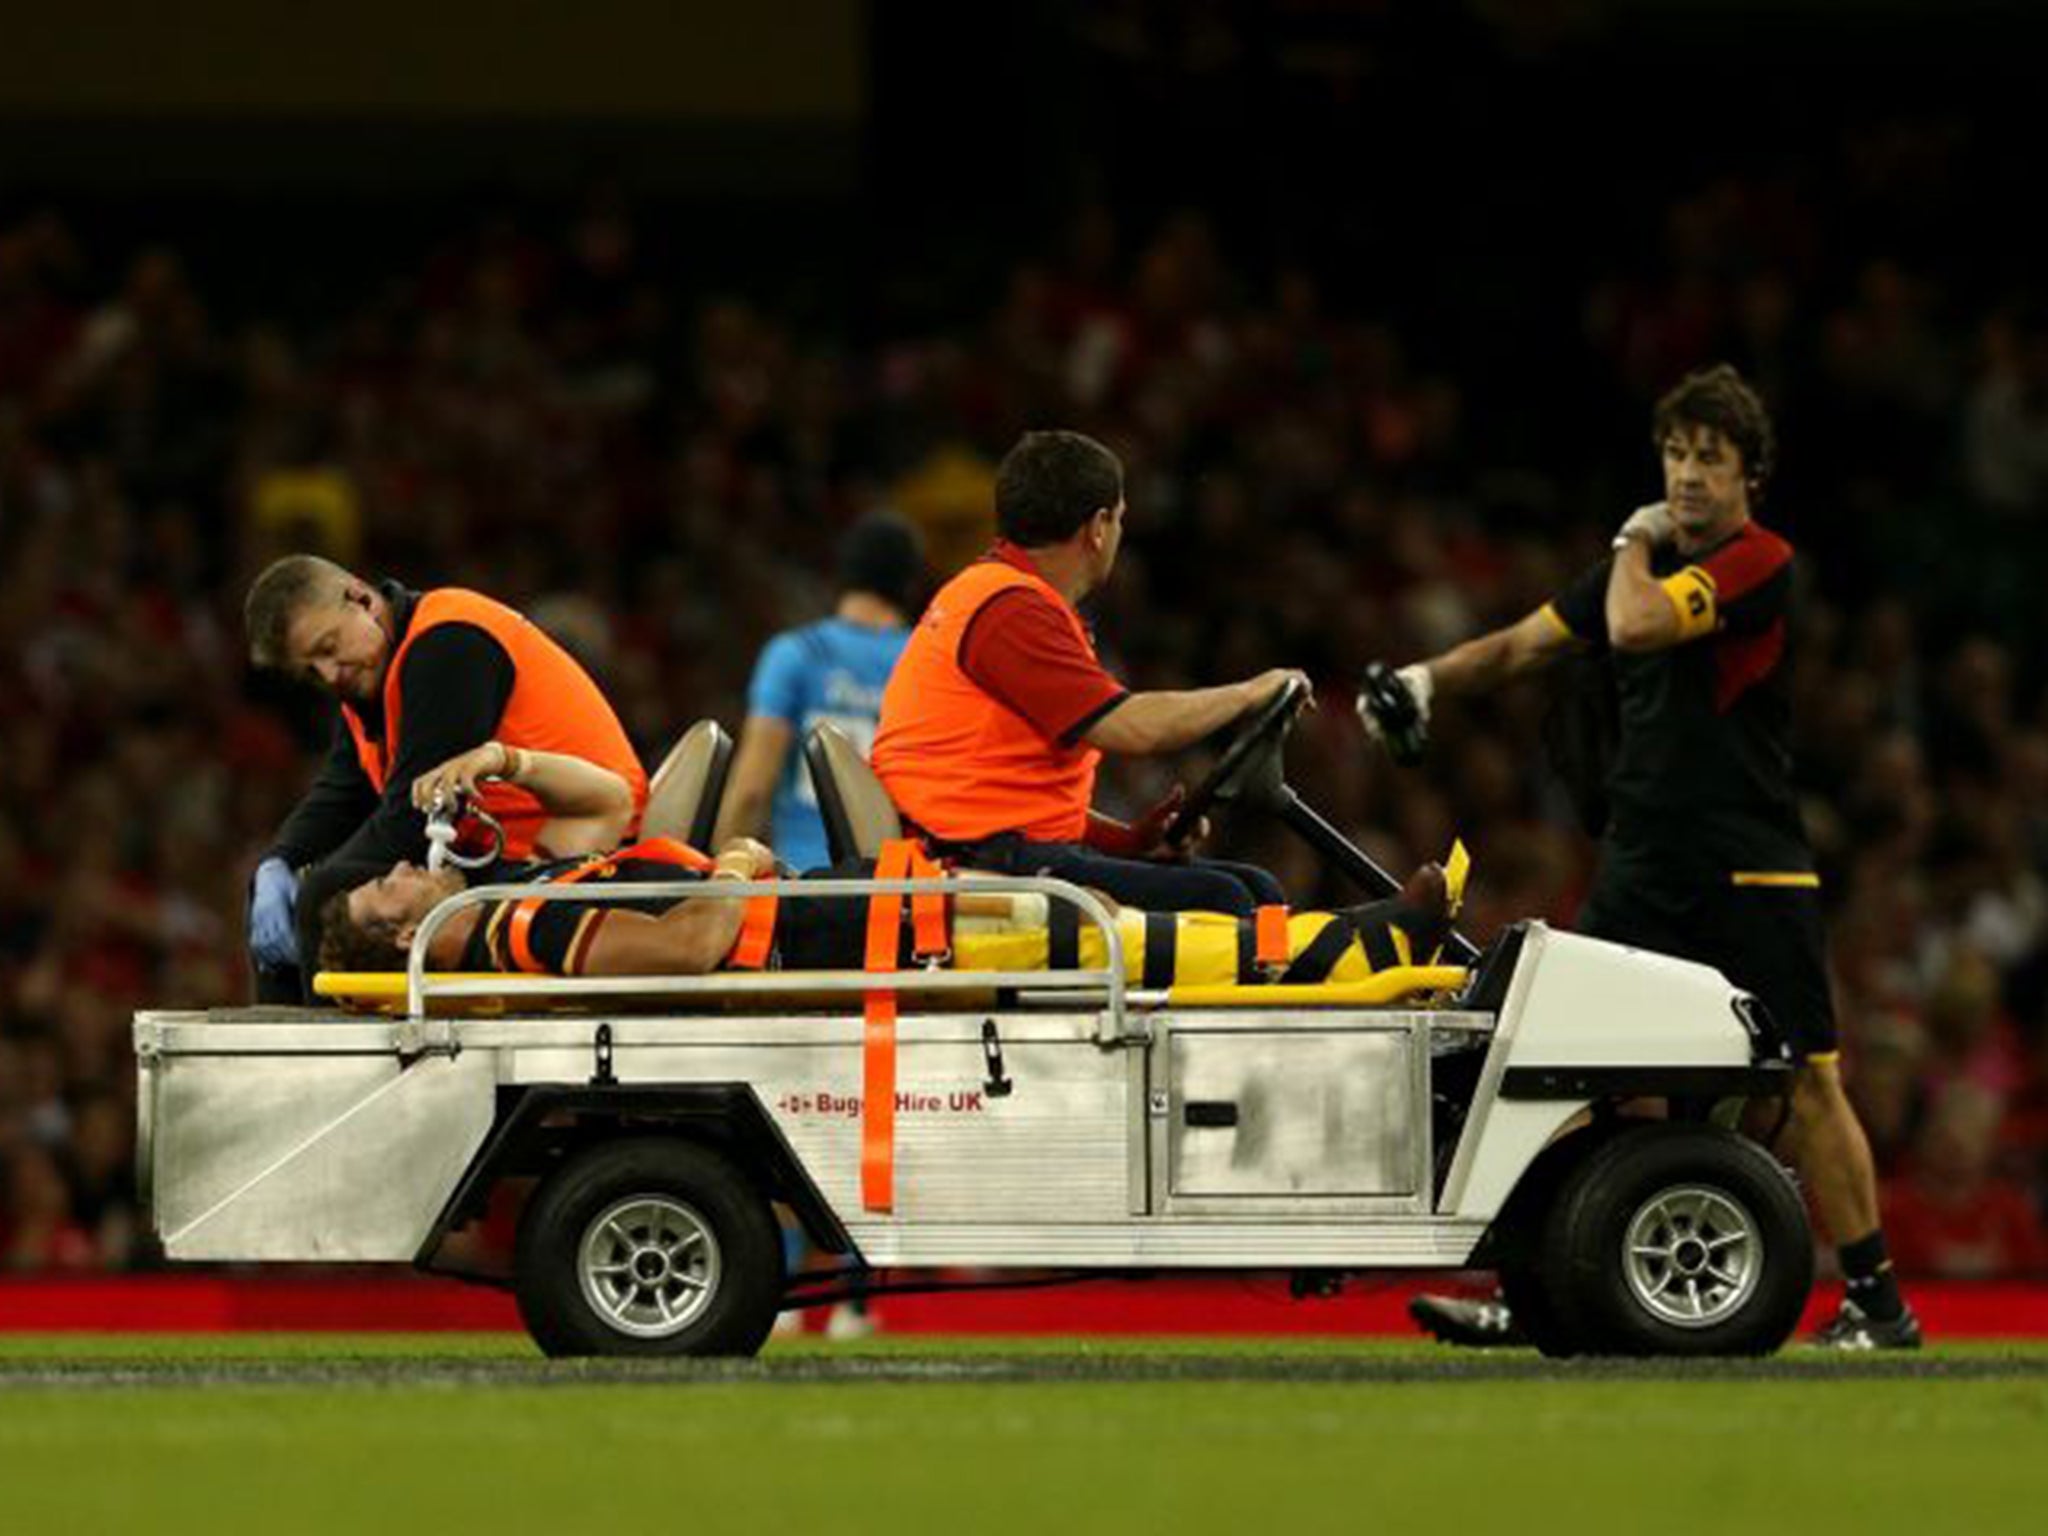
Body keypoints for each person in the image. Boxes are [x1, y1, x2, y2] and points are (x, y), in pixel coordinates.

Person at [1360, 364, 1921, 1350]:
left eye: (1710, 457)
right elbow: (1517, 645)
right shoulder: (1642, 563)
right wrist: (1422, 681)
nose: (1688, 474)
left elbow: (1630, 624)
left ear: (1750, 476)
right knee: (1559, 1066)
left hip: (1748, 865)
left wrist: (1631, 535)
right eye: (1674, 453)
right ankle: (1529, 1287)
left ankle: (1877, 1304)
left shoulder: (1757, 561)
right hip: (1640, 864)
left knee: (1803, 1077)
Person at [318, 743, 1458, 987]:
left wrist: (502, 759)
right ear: (407, 935)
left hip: (845, 916)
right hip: (833, 932)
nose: (400, 872)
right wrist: (733, 864)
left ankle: (1335, 948)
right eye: (386, 890)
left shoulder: (519, 897)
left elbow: (609, 803)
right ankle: (1340, 957)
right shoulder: (518, 934)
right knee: (1088, 926)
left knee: (1091, 914)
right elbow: (686, 947)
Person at [870, 429, 1305, 916]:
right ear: (1098, 527)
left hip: (986, 846)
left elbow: (1022, 798)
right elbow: (1134, 727)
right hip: (970, 859)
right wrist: (1251, 692)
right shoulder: (1010, 613)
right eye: (1119, 519)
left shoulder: (1001, 599)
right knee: (1228, 899)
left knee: (1254, 887)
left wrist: (1128, 840)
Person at [242, 554, 648, 998]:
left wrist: (317, 898)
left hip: (579, 851)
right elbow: (340, 794)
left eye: (327, 648)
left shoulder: (449, 644)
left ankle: (323, 1062)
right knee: (288, 888)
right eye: (310, 670)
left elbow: (409, 823)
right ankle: (280, 1054)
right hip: (502, 859)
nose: (328, 674)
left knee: (325, 897)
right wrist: (278, 861)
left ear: (361, 599)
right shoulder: (370, 678)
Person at [714, 513, 924, 871]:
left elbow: (751, 790)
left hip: (804, 877)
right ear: (909, 583)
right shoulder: (924, 661)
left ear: (843, 573)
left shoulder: (796, 654)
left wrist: (718, 867)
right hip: (892, 884)